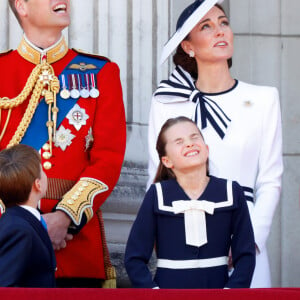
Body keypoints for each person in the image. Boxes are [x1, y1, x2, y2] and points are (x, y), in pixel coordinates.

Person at [147, 0, 283, 288]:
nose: (220, 31)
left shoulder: (264, 99)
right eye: (206, 27)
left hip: (244, 237)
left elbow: (271, 180)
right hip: (184, 239)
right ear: (188, 46)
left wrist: (251, 241)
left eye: (223, 23)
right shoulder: (167, 103)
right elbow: (156, 180)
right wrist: (167, 239)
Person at [0, 0, 126, 287]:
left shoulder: (100, 72)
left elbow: (108, 158)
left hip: (76, 245)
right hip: (8, 243)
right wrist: (18, 223)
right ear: (22, 6)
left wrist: (65, 217)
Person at [125, 117, 255, 289]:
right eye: (179, 141)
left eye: (194, 137)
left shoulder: (232, 192)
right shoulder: (157, 195)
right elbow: (134, 258)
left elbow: (246, 255)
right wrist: (153, 293)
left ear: (206, 149)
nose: (189, 143)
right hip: (168, 292)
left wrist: (231, 293)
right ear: (166, 161)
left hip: (218, 292)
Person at [0, 144, 56, 287]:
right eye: (42, 170)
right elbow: (6, 287)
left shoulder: (21, 221)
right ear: (37, 184)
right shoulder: (18, 230)